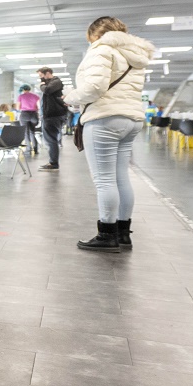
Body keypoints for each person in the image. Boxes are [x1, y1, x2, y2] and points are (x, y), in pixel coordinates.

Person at [61, 17, 153, 253]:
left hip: (105, 119)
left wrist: (71, 96)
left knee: (104, 180)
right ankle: (123, 234)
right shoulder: (135, 55)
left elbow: (94, 88)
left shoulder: (101, 49)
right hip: (131, 119)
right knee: (121, 176)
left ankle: (106, 234)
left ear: (95, 34)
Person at [36, 66, 69, 170]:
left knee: (51, 140)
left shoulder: (56, 81)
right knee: (50, 139)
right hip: (49, 115)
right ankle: (52, 162)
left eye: (42, 76)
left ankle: (53, 163)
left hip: (53, 115)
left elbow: (47, 90)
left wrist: (41, 85)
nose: (41, 79)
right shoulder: (50, 82)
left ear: (48, 73)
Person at [16, 84, 40, 153]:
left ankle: (28, 149)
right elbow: (38, 106)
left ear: (23, 90)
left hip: (24, 114)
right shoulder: (36, 96)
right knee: (32, 132)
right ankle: (35, 149)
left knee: (26, 133)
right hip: (34, 115)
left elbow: (18, 107)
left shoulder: (20, 96)